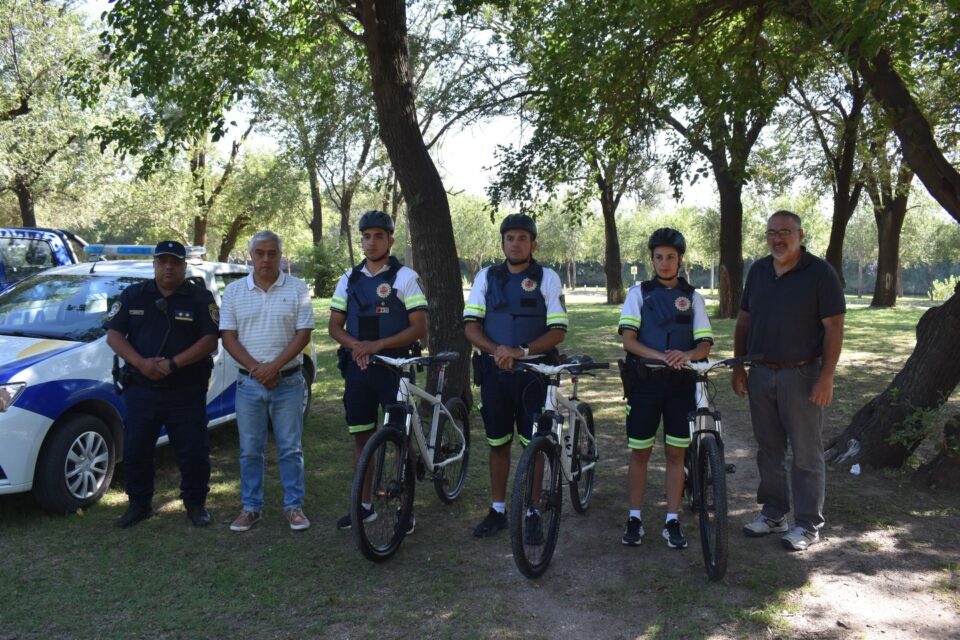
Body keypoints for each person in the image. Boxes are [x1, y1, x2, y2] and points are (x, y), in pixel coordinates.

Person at [732, 210, 845, 551]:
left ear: (800, 233)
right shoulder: (759, 270)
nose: (777, 239)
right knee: (769, 450)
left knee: (806, 453)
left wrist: (826, 377)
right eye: (771, 232)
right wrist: (739, 367)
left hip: (803, 374)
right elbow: (744, 322)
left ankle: (808, 524)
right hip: (761, 372)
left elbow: (834, 328)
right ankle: (774, 513)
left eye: (784, 232)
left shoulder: (820, 273)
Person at [464, 213, 568, 538]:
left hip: (533, 374)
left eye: (523, 238)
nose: (516, 243)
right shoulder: (486, 276)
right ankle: (497, 510)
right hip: (495, 373)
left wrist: (520, 351)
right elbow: (470, 326)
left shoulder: (547, 277)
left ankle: (533, 509)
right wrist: (498, 351)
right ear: (503, 243)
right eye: (510, 238)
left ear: (533, 244)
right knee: (497, 443)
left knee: (533, 444)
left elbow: (558, 330)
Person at [105, 240, 219, 528]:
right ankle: (139, 505)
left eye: (175, 262)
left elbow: (209, 340)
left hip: (186, 389)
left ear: (184, 265)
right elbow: (114, 336)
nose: (169, 267)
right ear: (155, 264)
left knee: (193, 452)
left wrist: (173, 363)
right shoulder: (133, 296)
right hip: (141, 389)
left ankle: (195, 505)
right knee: (136, 451)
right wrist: (142, 363)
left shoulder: (199, 298)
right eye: (163, 261)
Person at [328, 210, 427, 532]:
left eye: (378, 236)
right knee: (362, 438)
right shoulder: (349, 278)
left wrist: (377, 345)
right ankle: (364, 505)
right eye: (366, 236)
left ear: (390, 240)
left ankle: (404, 506)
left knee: (399, 438)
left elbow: (418, 328)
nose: (371, 242)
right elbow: (334, 326)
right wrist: (358, 346)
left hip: (395, 368)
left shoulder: (405, 277)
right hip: (358, 367)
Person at [617, 228, 713, 549]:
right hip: (645, 384)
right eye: (659, 257)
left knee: (675, 454)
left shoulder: (694, 298)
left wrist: (685, 355)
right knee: (640, 453)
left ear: (680, 259)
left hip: (680, 385)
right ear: (652, 260)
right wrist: (662, 355)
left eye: (671, 257)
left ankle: (671, 521)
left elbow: (704, 344)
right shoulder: (638, 294)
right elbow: (629, 340)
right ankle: (635, 517)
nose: (665, 262)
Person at [221, 231, 315, 532]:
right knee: (250, 449)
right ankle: (251, 508)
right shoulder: (234, 292)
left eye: (271, 253)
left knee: (290, 448)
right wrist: (257, 369)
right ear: (251, 256)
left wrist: (273, 367)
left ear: (280, 255)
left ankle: (294, 507)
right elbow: (228, 337)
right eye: (259, 252)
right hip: (249, 384)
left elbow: (304, 334)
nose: (265, 258)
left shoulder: (298, 288)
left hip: (287, 383)